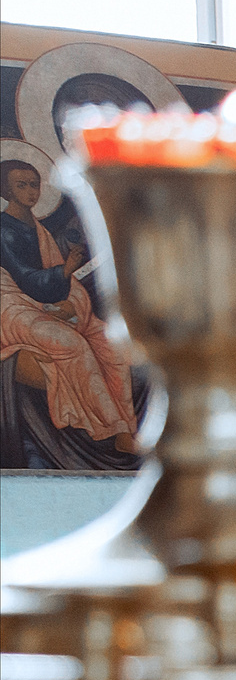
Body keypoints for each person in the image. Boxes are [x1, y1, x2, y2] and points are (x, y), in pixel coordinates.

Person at [0, 157, 139, 459]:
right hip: (11, 307)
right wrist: (64, 273)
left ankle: (128, 425)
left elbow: (62, 282)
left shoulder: (38, 230)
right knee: (72, 344)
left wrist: (69, 305)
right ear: (6, 191)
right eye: (21, 185)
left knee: (110, 342)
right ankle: (112, 430)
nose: (31, 191)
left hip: (46, 302)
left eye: (34, 184)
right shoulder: (3, 230)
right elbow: (25, 279)